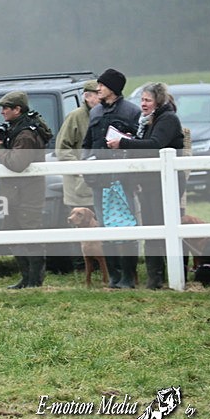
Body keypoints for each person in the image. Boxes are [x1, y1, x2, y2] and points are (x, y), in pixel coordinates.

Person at [107, 82, 184, 289]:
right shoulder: (148, 121)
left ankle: (169, 276)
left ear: (158, 101)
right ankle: (155, 278)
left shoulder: (168, 119)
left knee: (164, 227)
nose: (143, 104)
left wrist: (123, 143)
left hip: (164, 184)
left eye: (147, 100)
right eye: (141, 100)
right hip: (150, 183)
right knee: (152, 228)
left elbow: (155, 145)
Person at [82, 68, 141, 288]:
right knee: (105, 226)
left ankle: (128, 276)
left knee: (127, 227)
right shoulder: (95, 112)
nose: (98, 88)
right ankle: (114, 276)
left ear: (113, 89)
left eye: (102, 85)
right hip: (100, 180)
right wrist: (85, 165)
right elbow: (87, 143)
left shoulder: (131, 112)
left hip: (123, 180)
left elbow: (137, 145)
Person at [0, 90, 52, 288]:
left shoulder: (26, 134)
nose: (2, 112)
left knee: (30, 233)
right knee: (12, 233)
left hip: (28, 193)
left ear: (17, 109)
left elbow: (17, 163)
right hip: (16, 193)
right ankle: (26, 279)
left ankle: (34, 281)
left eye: (6, 108)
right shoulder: (18, 128)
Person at [55, 79, 99, 271]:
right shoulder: (75, 117)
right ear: (88, 97)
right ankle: (82, 266)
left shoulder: (106, 115)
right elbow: (61, 148)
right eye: (96, 94)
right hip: (79, 186)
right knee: (79, 226)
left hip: (100, 184)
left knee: (100, 225)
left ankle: (104, 264)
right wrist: (80, 167)